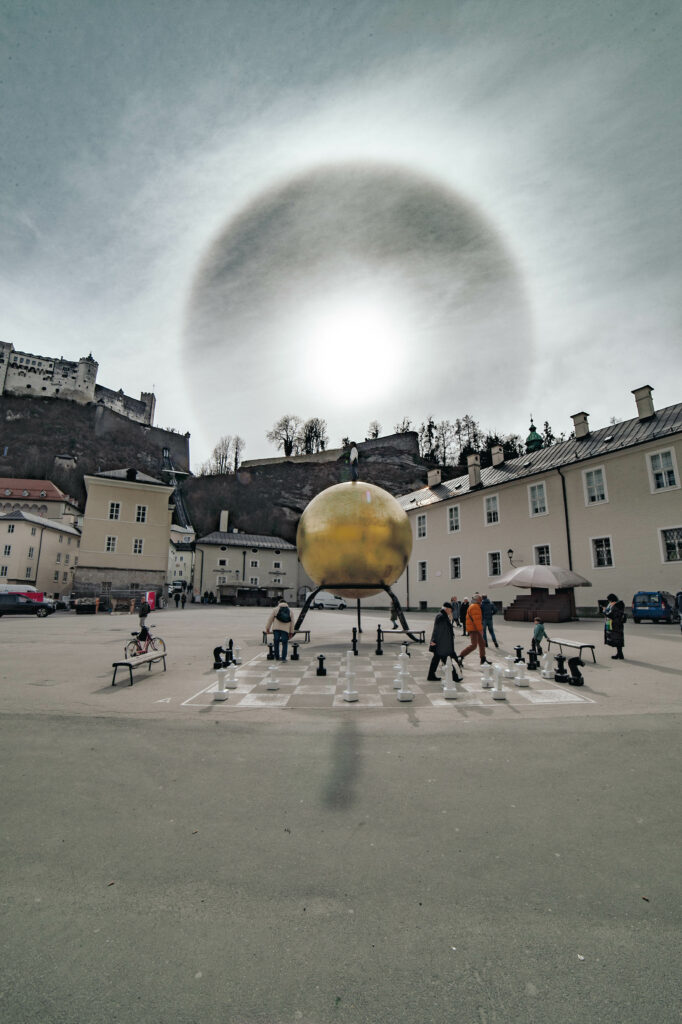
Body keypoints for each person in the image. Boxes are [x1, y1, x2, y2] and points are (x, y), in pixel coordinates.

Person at [427, 602, 460, 681]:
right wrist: (434, 642)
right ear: (446, 609)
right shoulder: (441, 616)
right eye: (450, 610)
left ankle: (431, 676)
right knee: (447, 660)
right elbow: (437, 630)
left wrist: (450, 619)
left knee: (436, 660)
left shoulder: (442, 616)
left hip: (441, 643)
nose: (450, 612)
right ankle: (455, 677)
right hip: (441, 643)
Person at [459, 594, 491, 666]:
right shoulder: (475, 607)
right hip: (474, 629)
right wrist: (480, 630)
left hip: (474, 628)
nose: (481, 600)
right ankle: (460, 656)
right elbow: (476, 620)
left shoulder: (475, 606)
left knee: (482, 643)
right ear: (477, 600)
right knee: (474, 645)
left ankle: (483, 659)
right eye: (480, 599)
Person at [603, 593, 626, 659]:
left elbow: (610, 614)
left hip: (614, 624)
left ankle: (620, 654)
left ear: (611, 599)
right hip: (619, 624)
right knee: (619, 639)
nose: (609, 602)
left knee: (616, 639)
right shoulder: (620, 604)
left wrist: (604, 611)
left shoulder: (615, 605)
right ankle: (619, 654)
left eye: (609, 600)